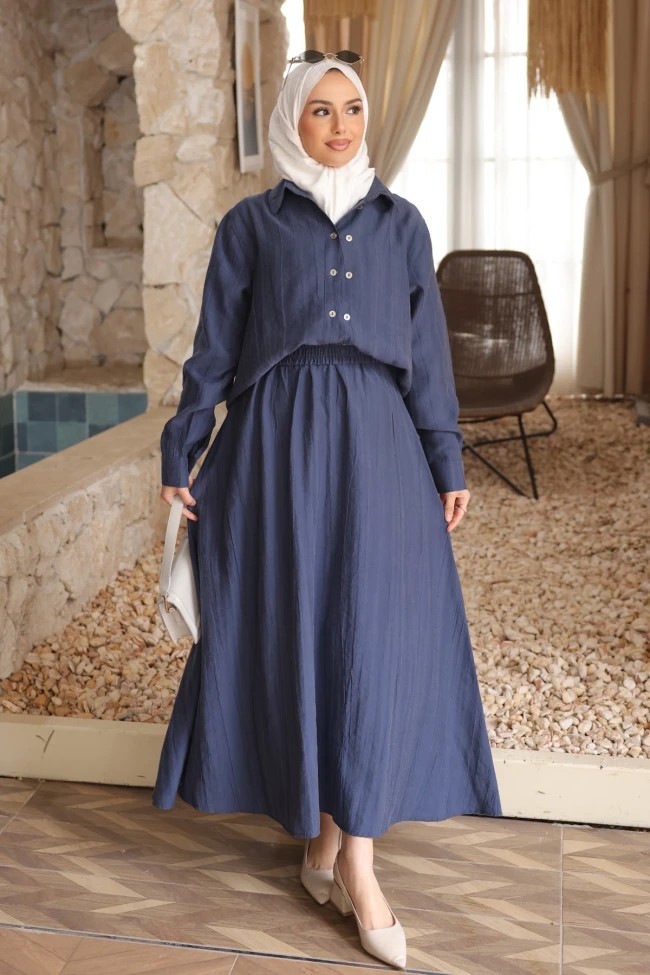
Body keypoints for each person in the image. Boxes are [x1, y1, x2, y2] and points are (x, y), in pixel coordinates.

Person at [152, 52, 502, 970]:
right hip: (275, 451)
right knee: (304, 631)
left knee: (374, 639)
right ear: (291, 122)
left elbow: (428, 354)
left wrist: (445, 456)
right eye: (320, 110)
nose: (340, 126)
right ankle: (327, 841)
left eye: (352, 108)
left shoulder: (402, 224)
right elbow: (214, 351)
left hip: (380, 450)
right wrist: (181, 450)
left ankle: (356, 859)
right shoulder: (250, 226)